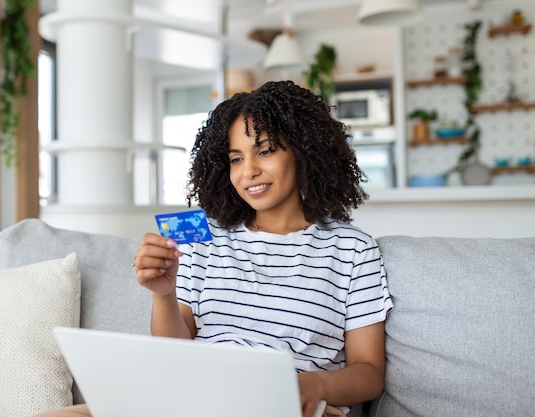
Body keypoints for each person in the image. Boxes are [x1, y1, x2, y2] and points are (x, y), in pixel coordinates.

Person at [36, 80, 393, 417]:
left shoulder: (351, 250)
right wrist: (164, 294)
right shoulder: (205, 237)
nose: (248, 171)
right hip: (190, 402)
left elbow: (370, 372)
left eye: (265, 151)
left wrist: (315, 384)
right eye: (235, 158)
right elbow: (173, 355)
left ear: (305, 152)